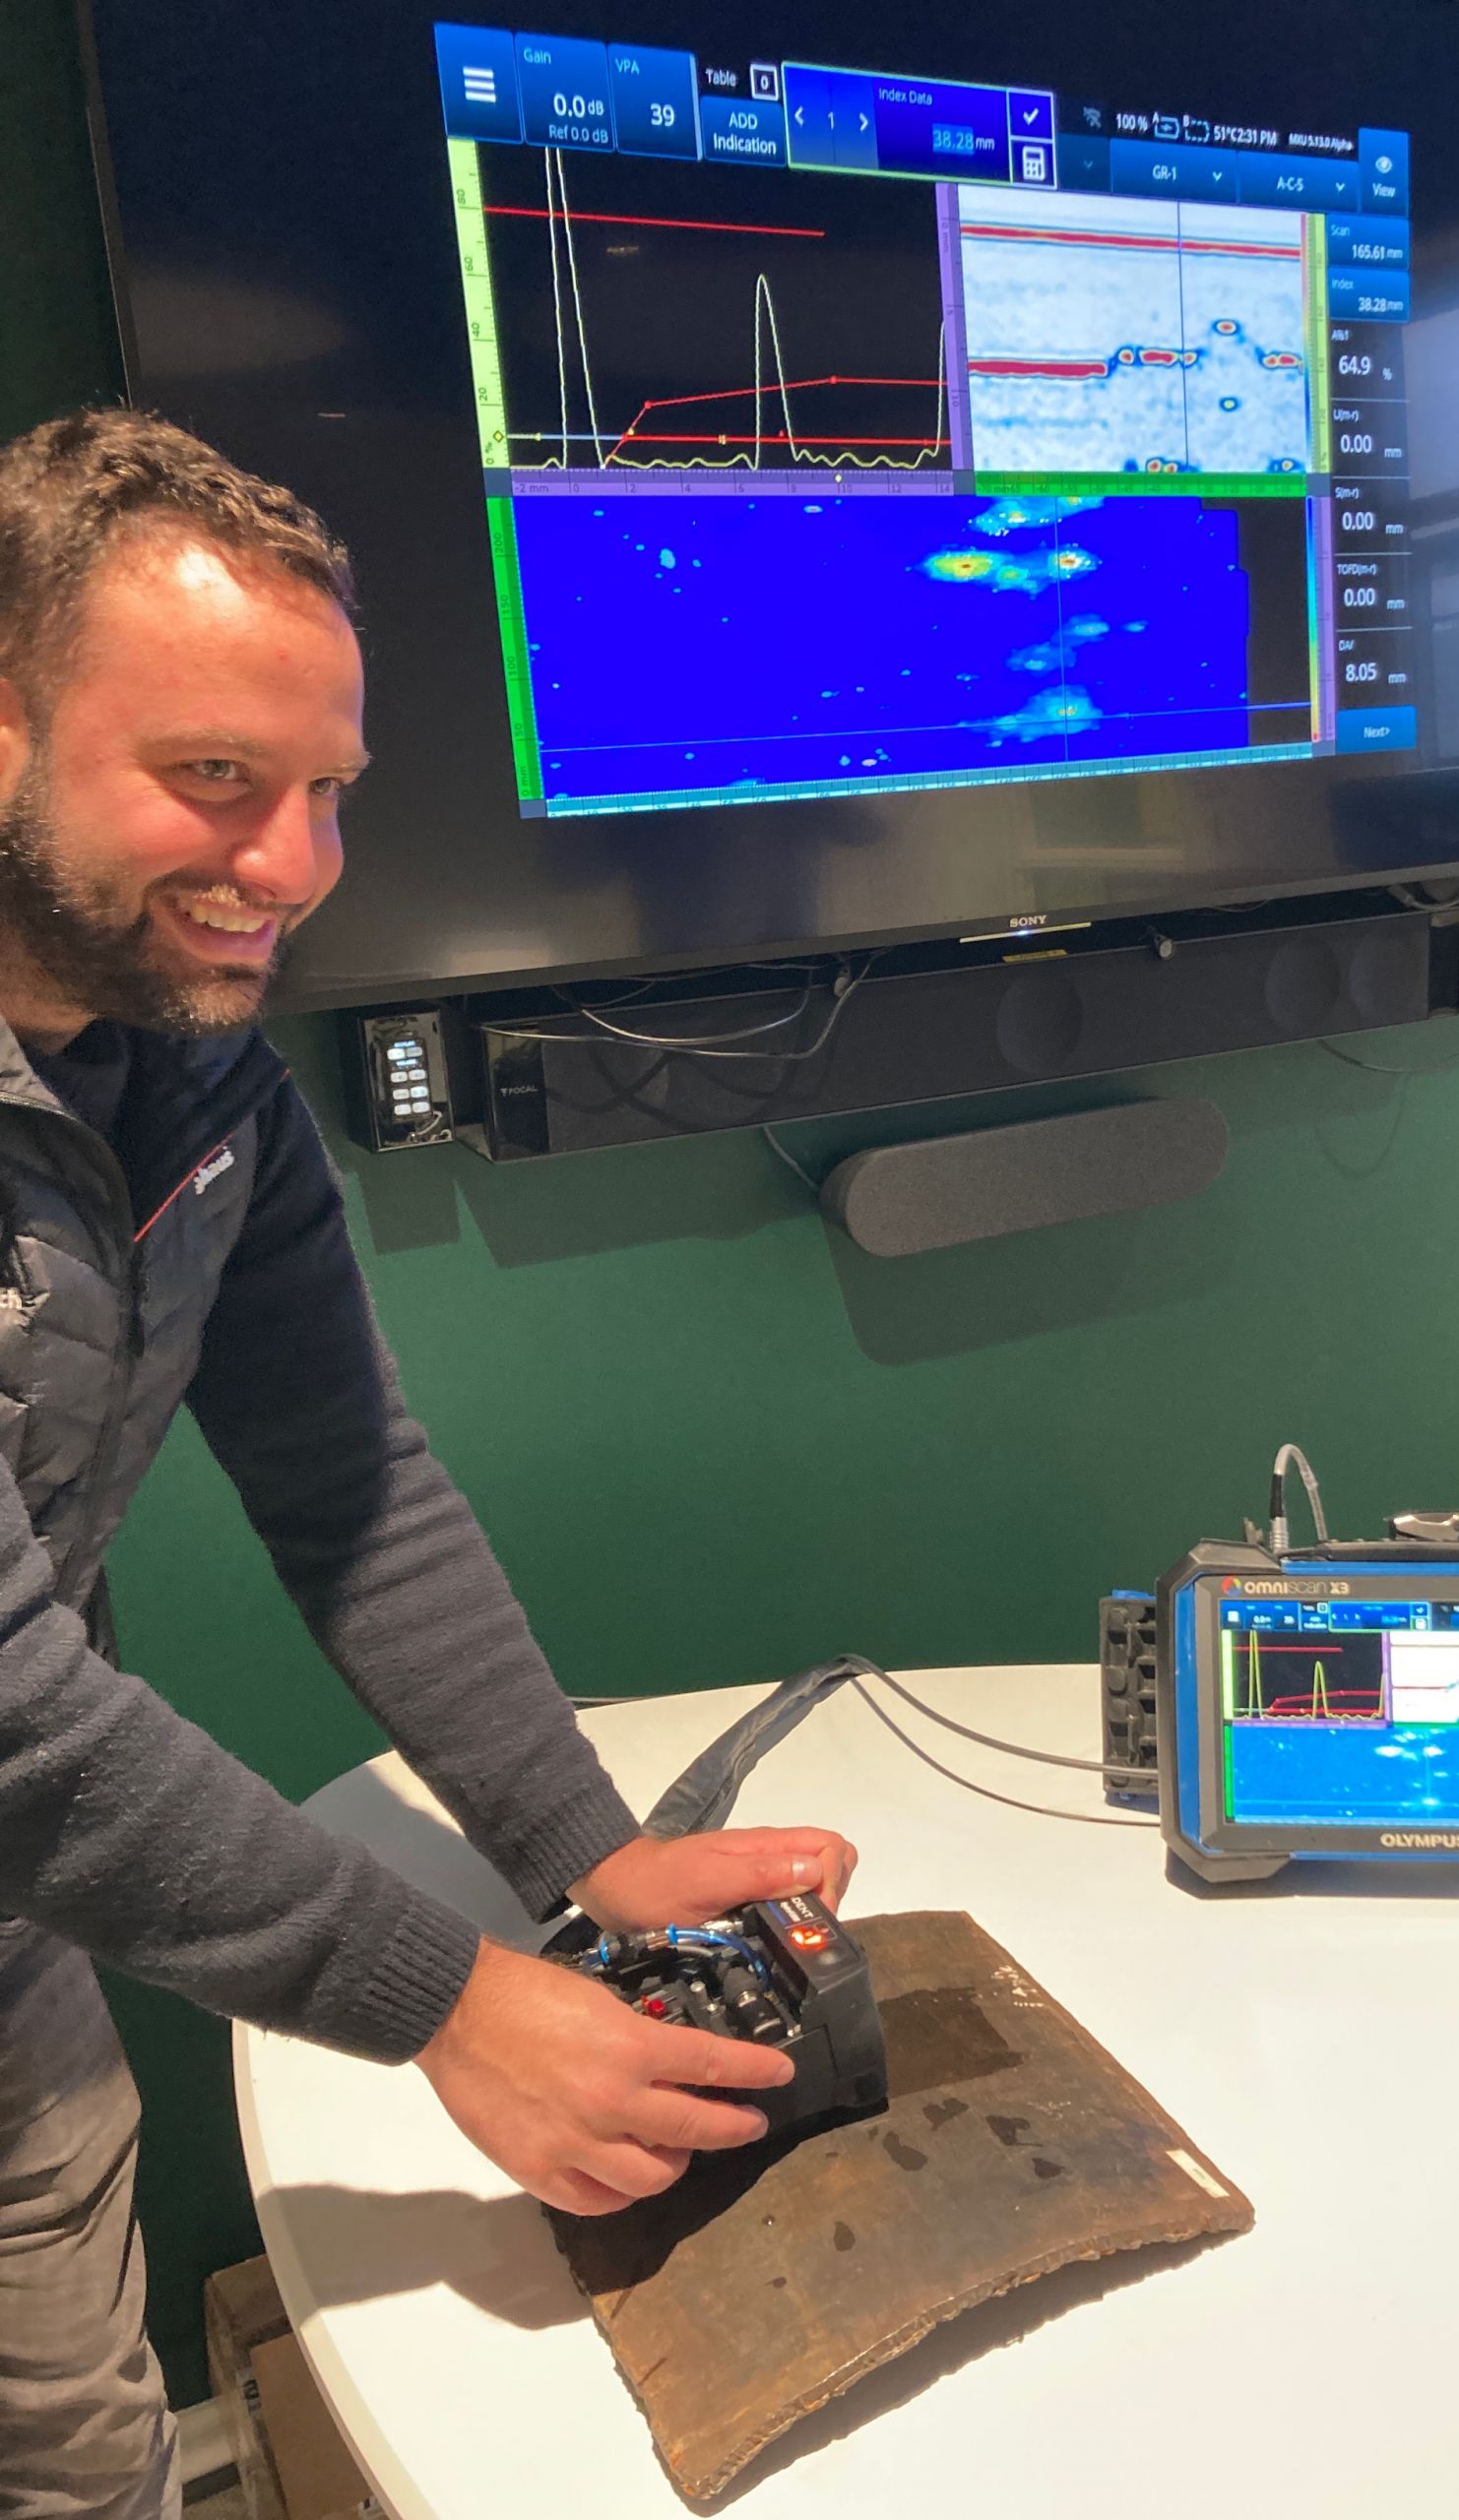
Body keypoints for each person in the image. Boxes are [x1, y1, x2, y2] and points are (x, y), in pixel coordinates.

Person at [0, 408, 857, 2520]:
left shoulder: (203, 1079)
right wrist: (449, 2000)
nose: (294, 864)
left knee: (82, 2450)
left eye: (328, 794)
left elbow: (353, 1485)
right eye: (217, 774)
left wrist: (583, 1853)